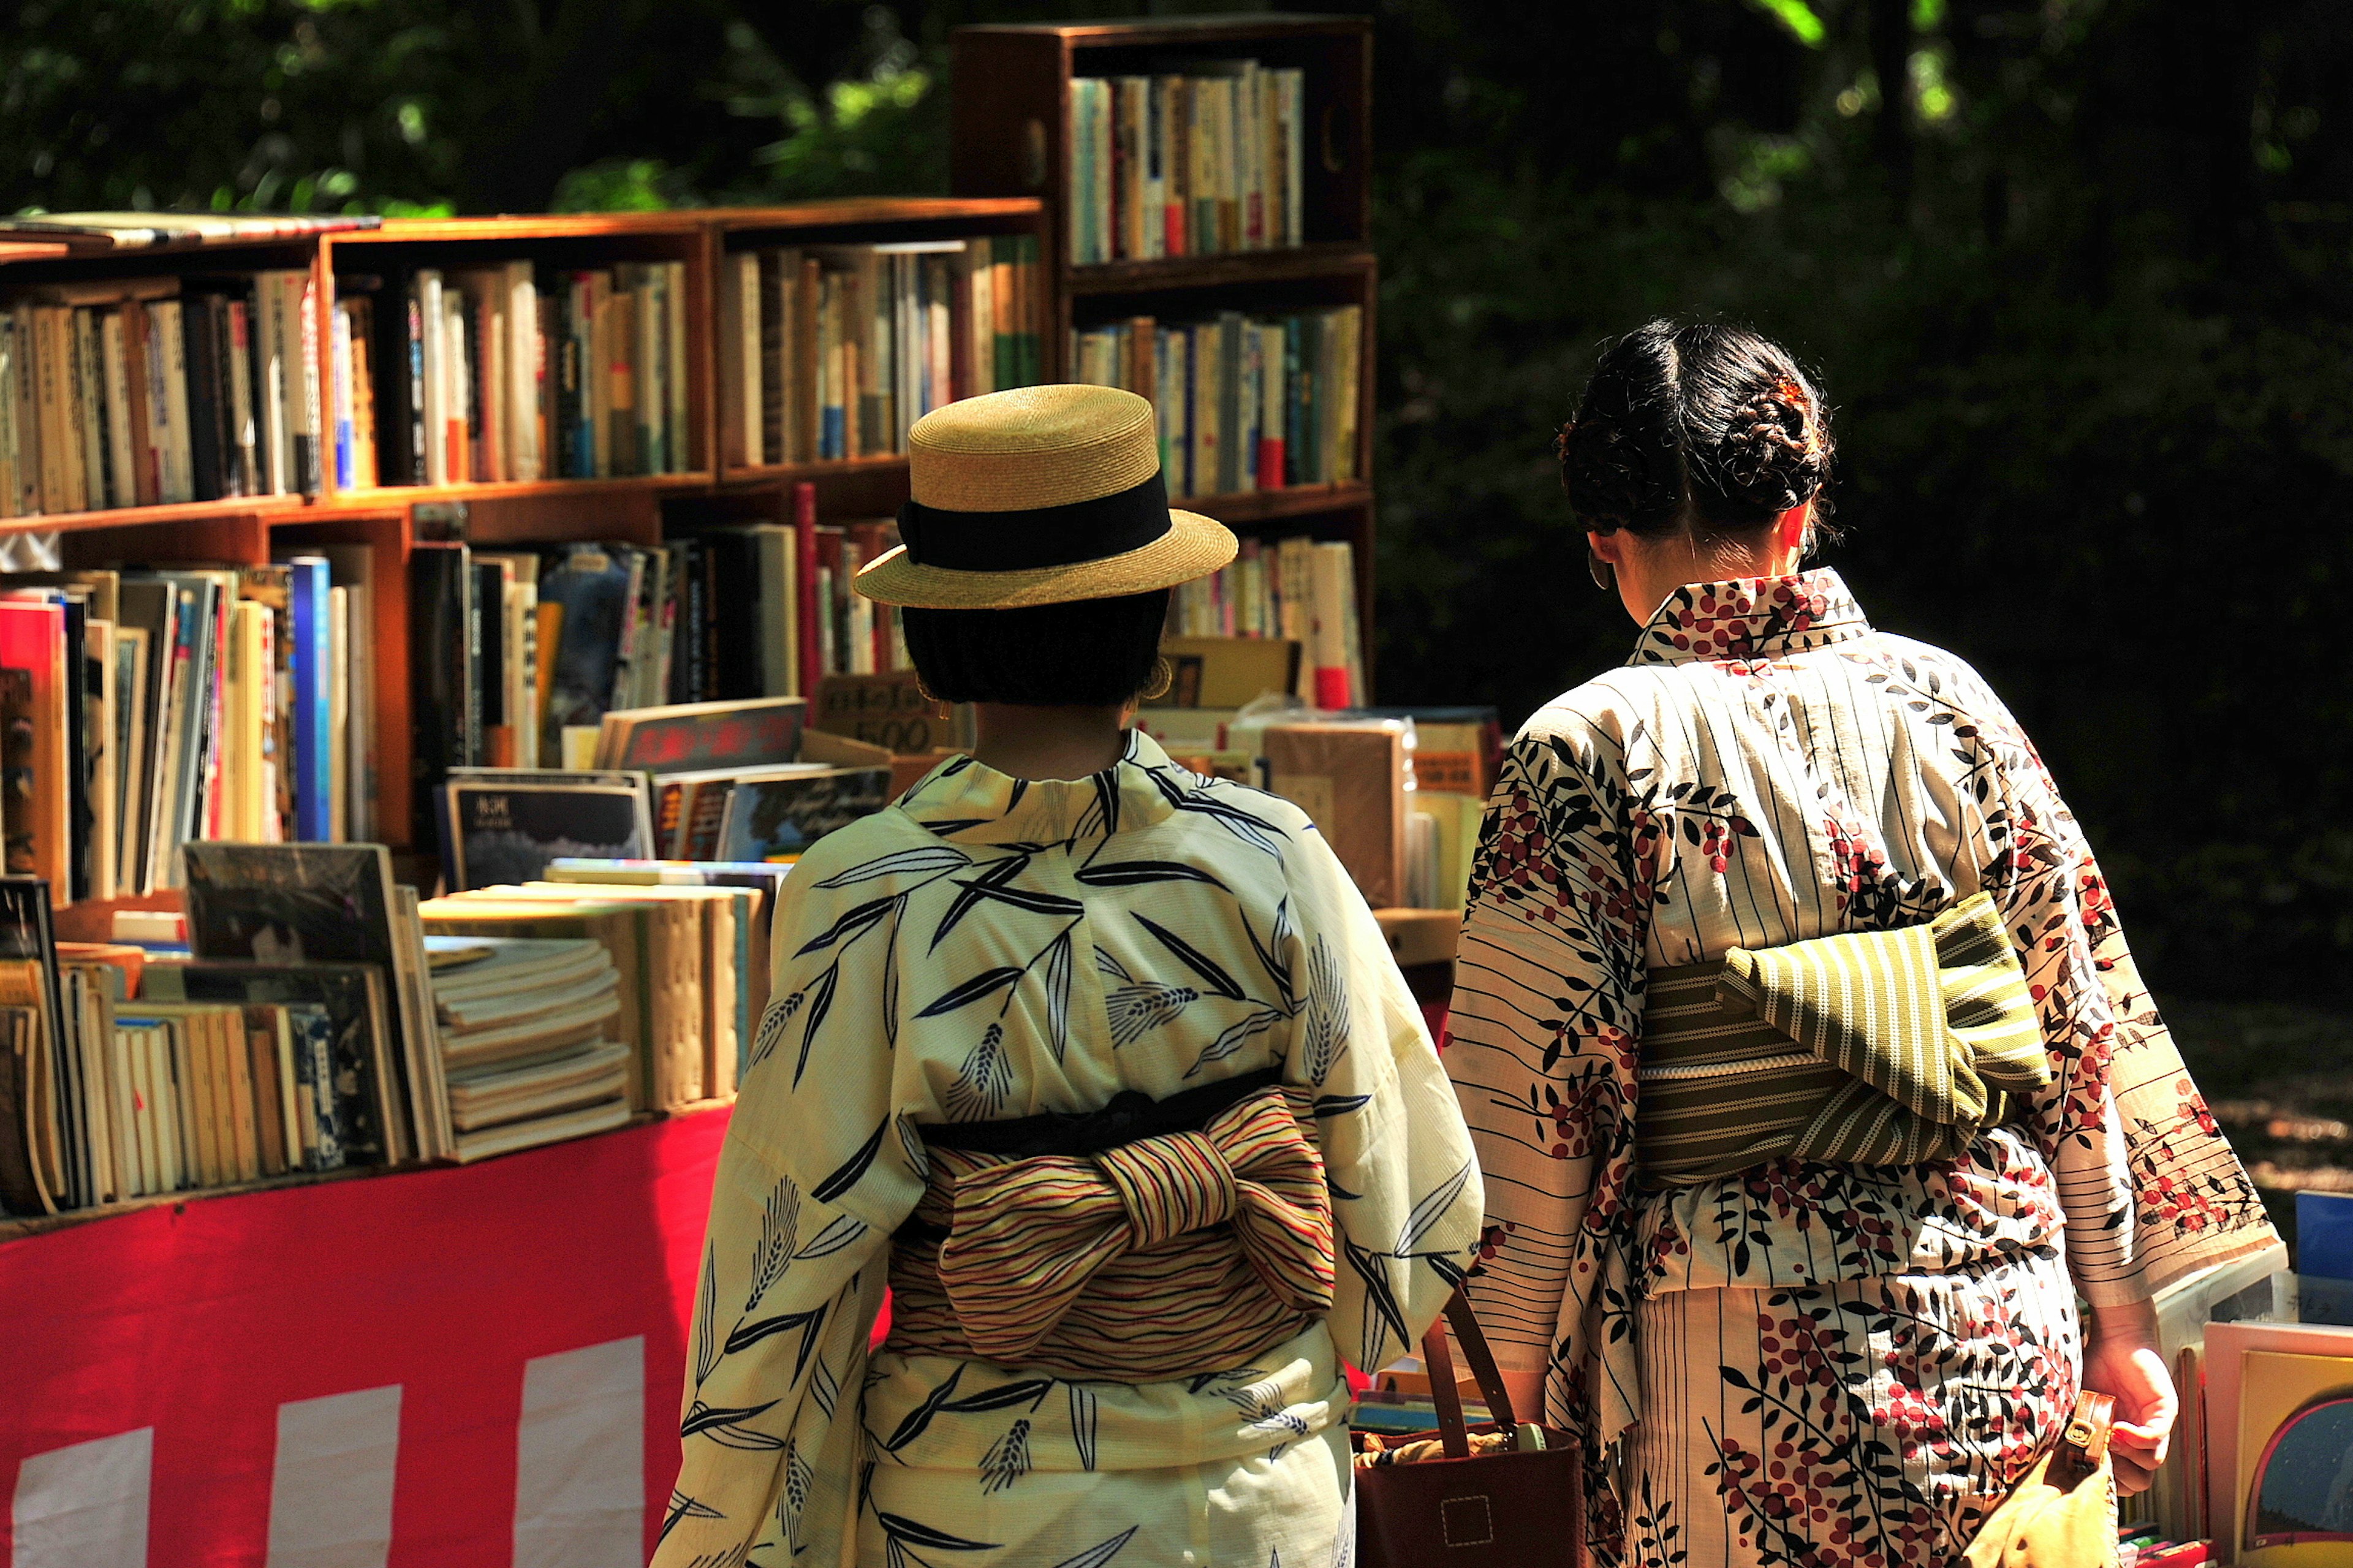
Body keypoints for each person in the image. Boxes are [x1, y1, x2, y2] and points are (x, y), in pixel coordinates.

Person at [1445, 320, 2279, 1566]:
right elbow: (2076, 1020)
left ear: (1605, 546)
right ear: (1801, 510)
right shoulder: (1951, 703)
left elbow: (1530, 1108)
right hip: (1992, 1324)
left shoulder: (1583, 747)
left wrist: (1502, 1401)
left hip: (1724, 1374)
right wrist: (2121, 1314)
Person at [655, 384, 1483, 1568]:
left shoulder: (862, 891)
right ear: (1153, 624)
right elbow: (1413, 1198)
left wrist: (732, 1517)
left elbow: (785, 1255)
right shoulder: (1270, 855)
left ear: (931, 640)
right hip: (1263, 1497)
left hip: (984, 1505)